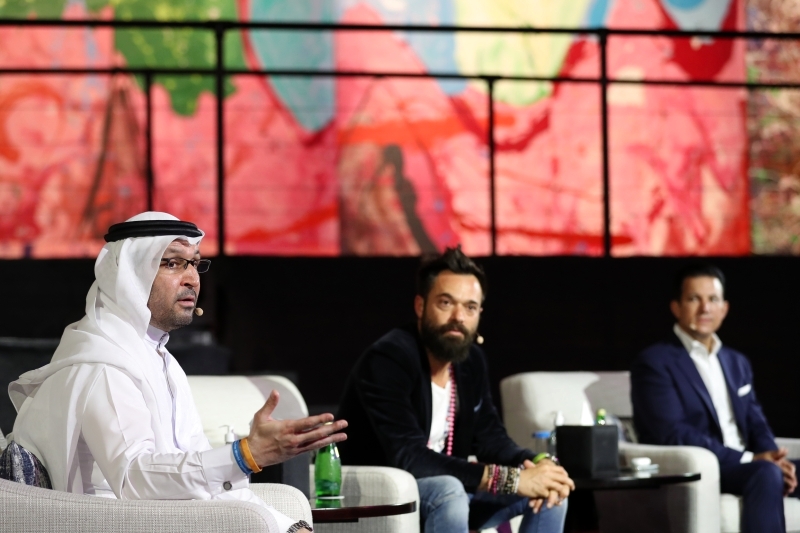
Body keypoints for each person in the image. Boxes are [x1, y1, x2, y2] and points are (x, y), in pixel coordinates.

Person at [8, 212, 347, 533]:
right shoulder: (104, 363)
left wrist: (289, 526)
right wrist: (244, 455)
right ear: (130, 275)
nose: (192, 279)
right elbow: (134, 478)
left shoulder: (162, 361)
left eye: (195, 263)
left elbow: (199, 475)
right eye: (172, 263)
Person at [337, 246, 574, 533]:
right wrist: (510, 480)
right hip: (380, 490)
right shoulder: (388, 359)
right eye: (446, 303)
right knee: (449, 490)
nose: (459, 316)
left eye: (470, 307)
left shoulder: (470, 361)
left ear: (479, 314)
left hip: (451, 494)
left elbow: (491, 438)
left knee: (551, 491)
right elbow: (408, 456)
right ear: (421, 306)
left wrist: (540, 464)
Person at [631, 262, 799, 533]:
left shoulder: (736, 361)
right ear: (676, 307)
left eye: (713, 299)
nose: (705, 308)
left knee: (774, 470)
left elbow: (756, 421)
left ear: (724, 308)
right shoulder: (654, 362)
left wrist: (775, 457)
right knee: (766, 473)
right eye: (694, 299)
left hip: (752, 463)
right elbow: (671, 433)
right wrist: (750, 459)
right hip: (708, 467)